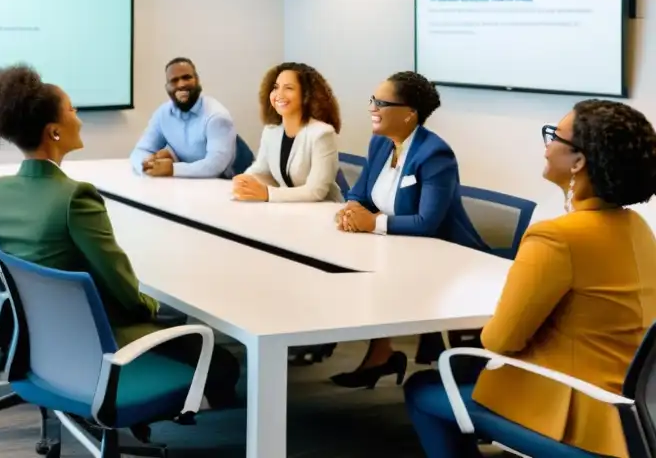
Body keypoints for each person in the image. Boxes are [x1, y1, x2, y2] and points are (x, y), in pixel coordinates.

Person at [404, 100, 656, 458]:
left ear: (578, 161)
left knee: (424, 389)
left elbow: (499, 340)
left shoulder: (557, 237)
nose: (546, 145)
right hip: (636, 413)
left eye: (554, 136)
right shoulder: (638, 228)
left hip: (579, 415)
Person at [0, 64, 240, 408]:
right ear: (54, 132)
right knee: (224, 364)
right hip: (100, 339)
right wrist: (155, 308)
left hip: (46, 340)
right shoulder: (74, 197)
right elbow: (122, 285)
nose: (80, 118)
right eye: (73, 110)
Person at [330, 71, 485, 388]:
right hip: (398, 247)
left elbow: (427, 222)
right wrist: (351, 208)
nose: (372, 108)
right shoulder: (380, 143)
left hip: (448, 256)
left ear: (409, 114)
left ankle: (461, 380)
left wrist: (373, 223)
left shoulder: (434, 154)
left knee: (372, 277)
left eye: (381, 103)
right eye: (373, 100)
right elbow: (361, 191)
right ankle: (381, 353)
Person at [231, 62, 343, 203]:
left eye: (289, 88)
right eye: (276, 87)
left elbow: (316, 191)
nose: (279, 94)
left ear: (306, 95)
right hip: (289, 209)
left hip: (323, 211)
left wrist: (267, 194)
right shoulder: (270, 131)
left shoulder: (322, 134)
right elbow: (262, 170)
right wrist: (245, 181)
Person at [130, 57, 237, 178]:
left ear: (197, 80)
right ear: (167, 87)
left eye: (186, 77)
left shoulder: (217, 116)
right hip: (186, 183)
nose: (181, 84)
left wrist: (172, 169)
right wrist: (146, 166)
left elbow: (215, 165)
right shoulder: (163, 114)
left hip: (225, 183)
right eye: (174, 80)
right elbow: (140, 150)